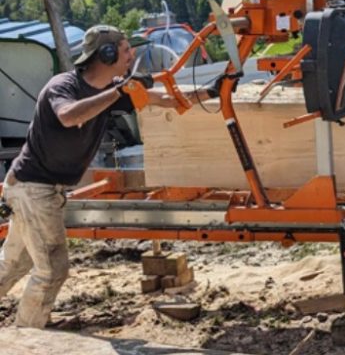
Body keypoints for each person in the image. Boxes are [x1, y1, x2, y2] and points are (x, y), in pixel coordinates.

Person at [0, 24, 217, 328]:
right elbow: (69, 116)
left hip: (36, 188)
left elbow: (164, 99)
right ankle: (24, 340)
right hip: (33, 188)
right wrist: (118, 91)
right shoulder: (63, 86)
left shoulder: (111, 90)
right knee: (52, 270)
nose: (132, 56)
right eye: (127, 49)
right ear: (107, 53)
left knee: (14, 264)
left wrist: (213, 89)